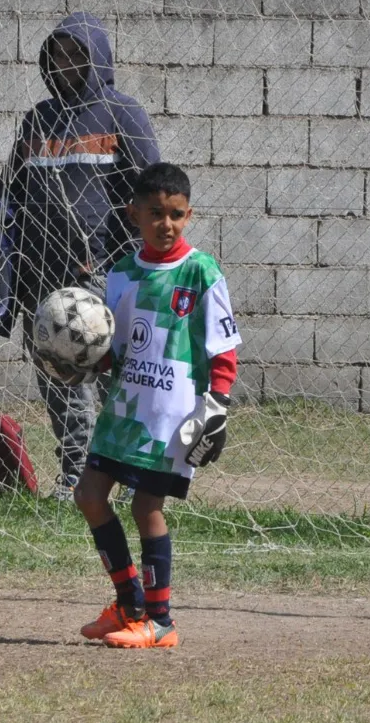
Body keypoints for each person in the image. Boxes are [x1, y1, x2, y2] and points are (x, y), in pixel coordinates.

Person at [0, 12, 160, 501]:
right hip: (42, 276)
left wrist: (133, 258)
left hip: (102, 273)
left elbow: (151, 189)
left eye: (78, 54)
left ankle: (126, 473)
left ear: (97, 58)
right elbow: (11, 190)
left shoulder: (122, 113)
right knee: (60, 381)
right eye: (59, 54)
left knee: (114, 378)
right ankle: (76, 475)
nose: (67, 63)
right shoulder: (38, 119)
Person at [68, 163, 241, 649]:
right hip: (124, 411)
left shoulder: (201, 272)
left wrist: (218, 407)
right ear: (134, 214)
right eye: (155, 214)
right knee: (89, 496)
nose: (166, 224)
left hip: (172, 417)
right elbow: (114, 349)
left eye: (176, 215)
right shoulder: (121, 275)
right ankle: (128, 604)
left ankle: (160, 621)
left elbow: (223, 348)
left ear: (188, 215)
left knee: (147, 506)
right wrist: (77, 361)